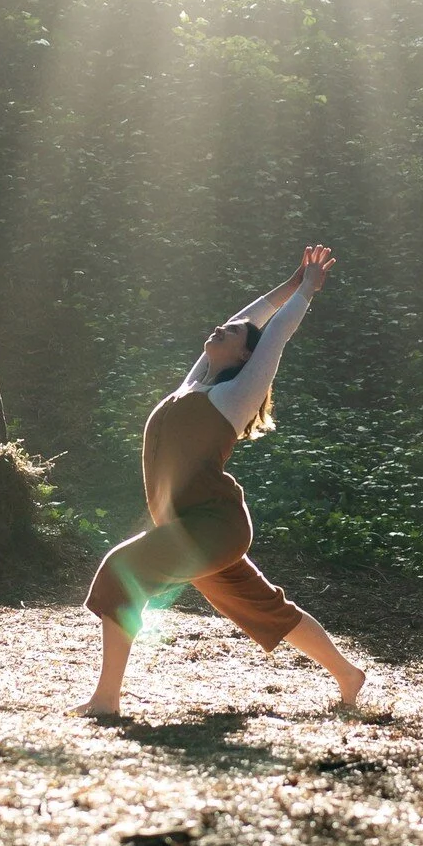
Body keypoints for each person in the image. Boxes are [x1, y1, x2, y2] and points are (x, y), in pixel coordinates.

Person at [76, 244, 365, 717]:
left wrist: (307, 292)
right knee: (265, 606)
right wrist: (290, 283)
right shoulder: (195, 384)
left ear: (245, 354)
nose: (221, 327)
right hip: (190, 525)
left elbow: (274, 334)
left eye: (231, 333)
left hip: (213, 526)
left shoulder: (235, 396)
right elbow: (246, 318)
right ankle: (349, 675)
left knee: (119, 572)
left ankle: (106, 699)